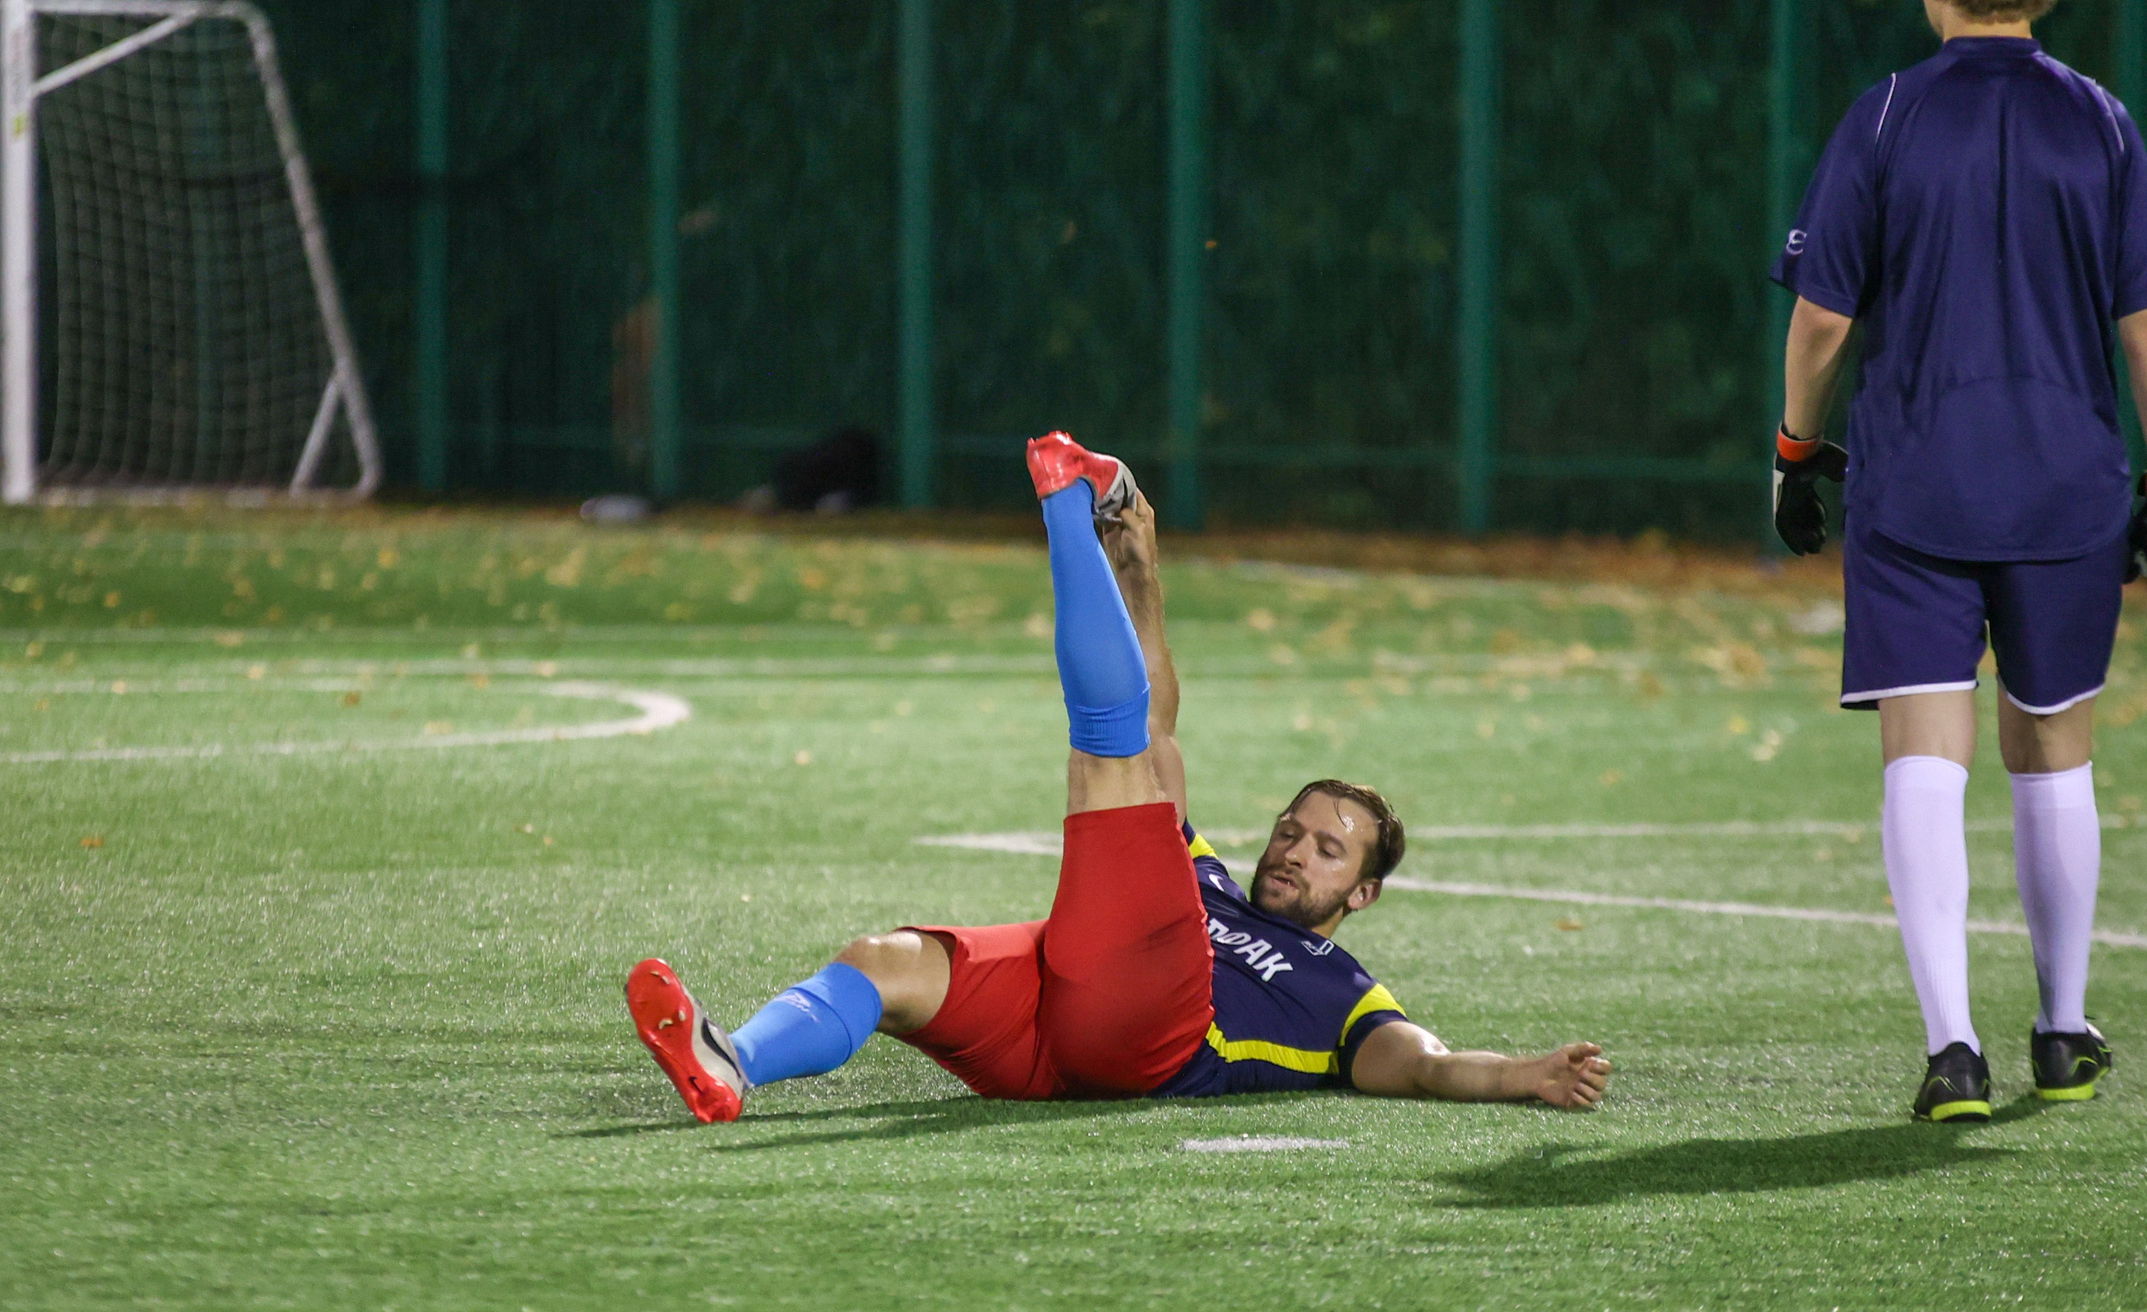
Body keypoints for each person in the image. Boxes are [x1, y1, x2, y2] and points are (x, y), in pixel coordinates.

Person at [625, 431, 1613, 1122]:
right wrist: (1141, 565)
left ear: (1361, 893)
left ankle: (1062, 500)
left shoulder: (1345, 995)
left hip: (1156, 1041)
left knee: (1118, 755)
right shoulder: (1206, 880)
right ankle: (733, 1064)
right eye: (1291, 828)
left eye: (1326, 849)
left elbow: (1426, 1066)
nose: (1291, 850)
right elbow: (1164, 726)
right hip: (1059, 1035)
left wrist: (1524, 1074)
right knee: (884, 963)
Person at [1767, 0, 2147, 1123]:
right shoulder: (2099, 120)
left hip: (1918, 483)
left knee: (1925, 748)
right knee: (2052, 746)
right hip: (2068, 483)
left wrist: (1795, 451)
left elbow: (1821, 322)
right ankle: (2062, 1032)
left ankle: (1951, 1050)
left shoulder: (1888, 114)